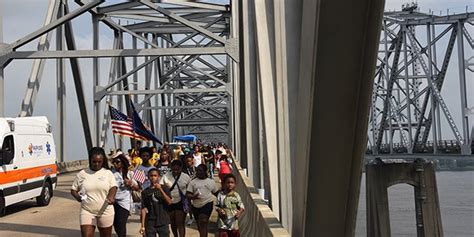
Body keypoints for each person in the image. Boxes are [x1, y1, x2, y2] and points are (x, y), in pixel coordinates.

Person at [71, 147, 118, 237]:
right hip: (87, 210)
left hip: (105, 211)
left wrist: (111, 197)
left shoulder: (107, 173)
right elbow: (73, 189)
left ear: (103, 161)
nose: (97, 164)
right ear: (90, 160)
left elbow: (113, 187)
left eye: (99, 162)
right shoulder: (82, 174)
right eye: (94, 161)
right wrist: (77, 197)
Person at [111, 153, 140, 237]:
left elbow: (138, 188)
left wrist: (130, 184)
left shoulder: (130, 173)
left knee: (121, 223)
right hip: (113, 202)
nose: (115, 164)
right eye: (114, 162)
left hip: (124, 203)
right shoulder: (111, 173)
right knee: (116, 224)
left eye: (118, 162)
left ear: (123, 163)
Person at [186, 164, 218, 237]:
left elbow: (216, 193)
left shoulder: (210, 182)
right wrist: (193, 197)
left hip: (207, 203)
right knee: (200, 224)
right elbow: (188, 194)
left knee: (203, 220)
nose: (198, 172)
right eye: (197, 171)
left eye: (200, 171)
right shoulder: (192, 182)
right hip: (196, 206)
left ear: (205, 171)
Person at [162, 160, 191, 237]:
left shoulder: (186, 177)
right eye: (173, 169)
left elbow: (190, 190)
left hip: (181, 202)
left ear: (181, 168)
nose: (175, 171)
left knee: (180, 222)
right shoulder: (165, 176)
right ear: (171, 168)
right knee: (172, 222)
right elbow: (161, 187)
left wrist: (189, 203)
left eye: (177, 170)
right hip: (169, 202)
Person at [140, 168, 172, 237]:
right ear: (148, 177)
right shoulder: (145, 192)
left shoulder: (165, 188)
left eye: (155, 176)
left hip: (163, 221)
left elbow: (169, 202)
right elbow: (143, 209)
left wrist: (160, 189)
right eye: (151, 176)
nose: (153, 178)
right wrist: (142, 226)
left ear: (159, 177)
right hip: (150, 222)